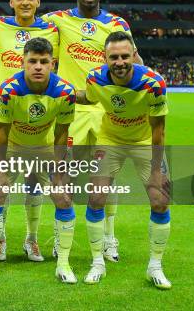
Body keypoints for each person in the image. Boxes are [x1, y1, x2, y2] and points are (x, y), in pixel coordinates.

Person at [43, 0, 142, 261]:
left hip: (105, 111)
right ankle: (62, 236)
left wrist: (153, 82)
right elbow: (26, 19)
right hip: (70, 111)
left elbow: (134, 60)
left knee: (106, 177)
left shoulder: (115, 24)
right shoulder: (59, 19)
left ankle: (110, 238)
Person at [75, 31, 171, 289]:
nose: (119, 62)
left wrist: (155, 171)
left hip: (144, 142)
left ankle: (155, 267)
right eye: (113, 57)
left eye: (124, 56)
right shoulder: (95, 78)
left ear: (134, 56)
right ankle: (97, 263)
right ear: (105, 58)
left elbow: (159, 130)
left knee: (160, 200)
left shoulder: (153, 83)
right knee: (95, 198)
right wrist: (64, 92)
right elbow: (89, 97)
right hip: (110, 139)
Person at [0, 37, 77, 284]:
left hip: (44, 147)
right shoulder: (8, 89)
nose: (38, 66)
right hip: (12, 145)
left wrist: (58, 171)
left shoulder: (65, 92)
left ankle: (60, 261)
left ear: (52, 64)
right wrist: (0, 170)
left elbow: (61, 134)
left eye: (43, 62)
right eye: (32, 61)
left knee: (63, 196)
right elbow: (1, 133)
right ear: (23, 62)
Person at [0, 0, 60, 261]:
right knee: (0, 180)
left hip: (42, 116)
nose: (26, 2)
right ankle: (0, 238)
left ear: (38, 1)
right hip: (4, 116)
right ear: (11, 1)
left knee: (34, 182)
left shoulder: (53, 29)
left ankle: (32, 240)